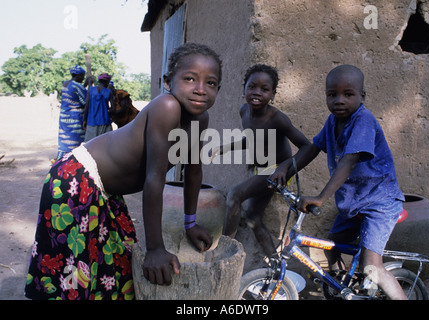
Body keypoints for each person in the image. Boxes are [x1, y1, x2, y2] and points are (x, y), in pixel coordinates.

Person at [24, 43, 221, 300]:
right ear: (167, 82)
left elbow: (194, 172)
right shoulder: (166, 107)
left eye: (211, 83)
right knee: (74, 274)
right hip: (75, 180)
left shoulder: (200, 120)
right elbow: (154, 180)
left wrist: (190, 223)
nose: (200, 89)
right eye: (189, 79)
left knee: (112, 266)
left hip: (105, 191)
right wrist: (155, 249)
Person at [270, 64, 407, 299]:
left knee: (372, 266)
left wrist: (321, 198)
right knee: (332, 246)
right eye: (332, 95)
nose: (339, 100)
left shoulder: (363, 120)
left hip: (378, 203)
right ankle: (343, 289)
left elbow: (348, 162)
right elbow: (313, 148)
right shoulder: (333, 122)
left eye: (348, 94)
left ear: (362, 97)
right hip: (354, 203)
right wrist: (287, 167)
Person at [210, 64, 311, 257]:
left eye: (264, 89)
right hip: (262, 170)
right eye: (252, 87)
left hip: (278, 171)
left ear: (272, 94)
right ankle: (274, 263)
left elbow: (307, 146)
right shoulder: (244, 112)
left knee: (234, 195)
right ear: (244, 89)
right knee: (253, 218)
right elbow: (253, 138)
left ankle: (223, 253)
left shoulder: (277, 119)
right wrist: (223, 148)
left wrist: (284, 167)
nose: (257, 92)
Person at [56, 66, 91, 160]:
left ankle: (60, 160)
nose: (83, 78)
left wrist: (85, 85)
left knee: (64, 139)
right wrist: (89, 90)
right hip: (75, 118)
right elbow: (85, 102)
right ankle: (71, 161)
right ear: (78, 76)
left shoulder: (66, 83)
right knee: (74, 140)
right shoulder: (78, 86)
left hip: (64, 117)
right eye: (82, 76)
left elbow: (76, 92)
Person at [83, 73, 114, 142]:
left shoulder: (90, 90)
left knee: (89, 145)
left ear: (99, 81)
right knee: (105, 144)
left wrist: (85, 120)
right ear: (107, 82)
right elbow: (113, 109)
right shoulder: (109, 92)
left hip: (91, 122)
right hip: (105, 122)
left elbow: (87, 106)